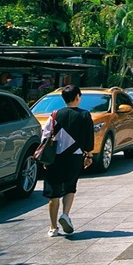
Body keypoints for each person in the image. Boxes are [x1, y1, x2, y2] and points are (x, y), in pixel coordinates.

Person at [41, 85, 95, 237]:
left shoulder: (54, 114)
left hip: (55, 158)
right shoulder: (85, 115)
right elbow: (89, 137)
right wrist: (89, 155)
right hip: (74, 157)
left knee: (54, 193)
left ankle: (53, 227)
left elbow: (45, 136)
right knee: (70, 188)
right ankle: (65, 215)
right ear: (77, 97)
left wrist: (45, 158)